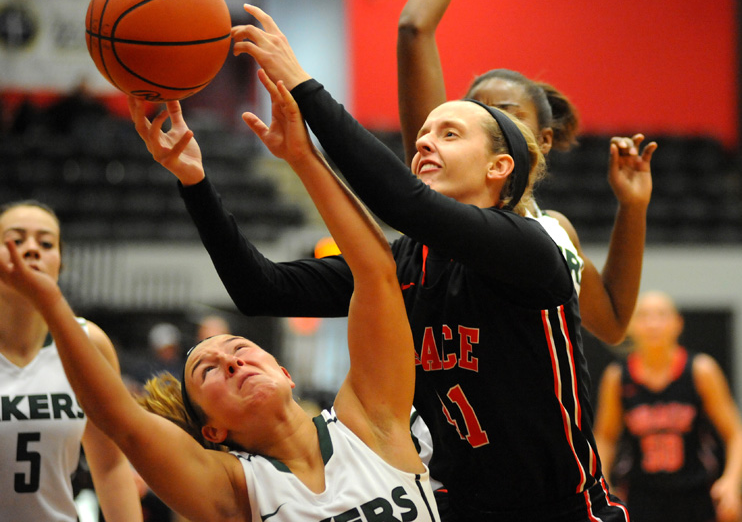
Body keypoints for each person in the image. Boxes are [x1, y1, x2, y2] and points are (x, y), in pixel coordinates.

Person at [129, 2, 630, 522]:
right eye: (423, 137)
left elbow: (402, 200)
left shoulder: (529, 248)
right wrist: (194, 181)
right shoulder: (406, 264)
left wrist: (301, 82)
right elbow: (262, 290)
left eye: (450, 134)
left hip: (564, 510)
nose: (425, 143)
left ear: (499, 167)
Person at [0, 75, 440, 522]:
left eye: (240, 348)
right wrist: (50, 302)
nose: (231, 362)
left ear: (286, 373)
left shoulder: (369, 423)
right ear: (212, 429)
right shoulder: (233, 489)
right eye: (208, 371)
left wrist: (303, 157)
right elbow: (120, 422)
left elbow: (377, 273)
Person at [397, 0, 657, 346]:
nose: (490, 120)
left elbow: (614, 322)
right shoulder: (441, 200)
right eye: (478, 111)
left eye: (507, 113)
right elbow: (414, 30)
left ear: (544, 140)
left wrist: (632, 209)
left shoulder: (554, 231)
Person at [0, 200, 143, 521]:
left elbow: (110, 464)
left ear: (60, 262)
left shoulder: (88, 343)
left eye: (46, 243)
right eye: (16, 239)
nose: (32, 249)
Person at [593, 291, 742, 522]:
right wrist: (603, 485)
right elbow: (605, 437)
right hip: (640, 496)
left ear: (678, 324)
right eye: (644, 316)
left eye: (661, 315)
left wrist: (732, 482)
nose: (653, 323)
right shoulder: (617, 377)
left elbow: (738, 435)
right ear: (631, 326)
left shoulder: (701, 370)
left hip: (695, 494)